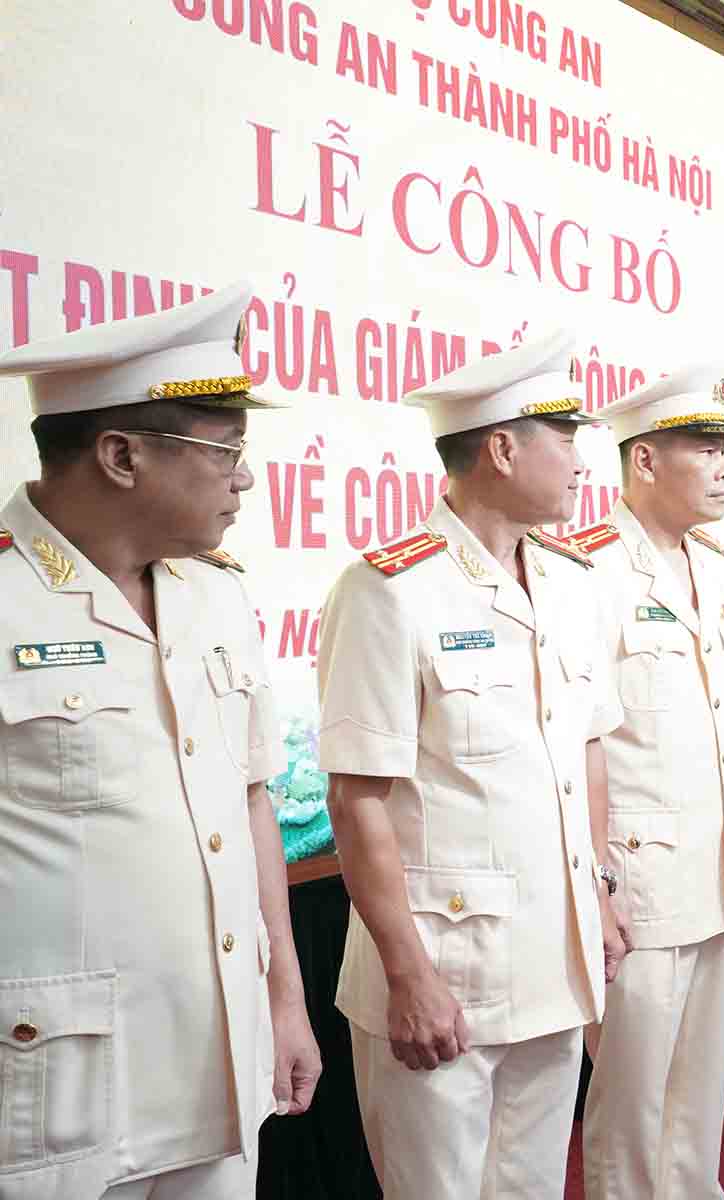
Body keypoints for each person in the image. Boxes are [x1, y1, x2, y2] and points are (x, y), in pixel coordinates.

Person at [0, 281, 320, 1199]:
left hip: (217, 1069)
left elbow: (250, 801)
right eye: (227, 451)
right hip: (52, 1092)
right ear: (120, 454)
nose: (244, 479)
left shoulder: (215, 593)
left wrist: (285, 1001)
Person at [316, 330, 627, 1198]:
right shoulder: (389, 589)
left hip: (552, 960)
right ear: (501, 449)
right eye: (564, 438)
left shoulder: (571, 581)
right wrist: (408, 976)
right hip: (443, 974)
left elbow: (587, 746)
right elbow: (356, 798)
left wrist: (600, 892)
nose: (581, 461)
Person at [573, 366, 724, 1200]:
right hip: (639, 881)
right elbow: (579, 741)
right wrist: (596, 885)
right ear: (645, 460)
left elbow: (711, 718)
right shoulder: (584, 571)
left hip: (716, 870)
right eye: (704, 448)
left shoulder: (710, 564)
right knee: (631, 1109)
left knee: (698, 1097)